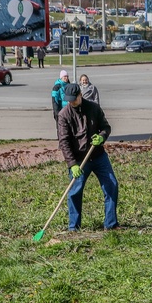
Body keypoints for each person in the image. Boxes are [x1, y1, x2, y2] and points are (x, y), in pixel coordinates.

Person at [56, 83, 119, 232]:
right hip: (78, 160)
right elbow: (64, 142)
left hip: (98, 156)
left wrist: (102, 137)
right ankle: (74, 227)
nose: (71, 102)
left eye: (74, 99)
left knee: (111, 185)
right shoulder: (64, 115)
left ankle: (110, 224)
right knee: (74, 192)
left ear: (80, 95)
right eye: (69, 100)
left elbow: (106, 127)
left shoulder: (93, 108)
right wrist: (72, 164)